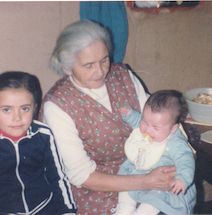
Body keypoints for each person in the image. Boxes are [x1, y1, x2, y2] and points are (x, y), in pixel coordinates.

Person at [39, 20, 176, 214]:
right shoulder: (57, 106)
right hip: (98, 191)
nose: (100, 71)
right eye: (88, 65)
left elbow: (156, 122)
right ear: (67, 67)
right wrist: (145, 182)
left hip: (146, 168)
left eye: (104, 60)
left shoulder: (123, 75)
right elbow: (83, 177)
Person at [0, 71, 77, 214]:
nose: (17, 118)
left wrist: (68, 211)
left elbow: (58, 177)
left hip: (44, 208)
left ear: (35, 107)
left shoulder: (44, 134)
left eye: (25, 109)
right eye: (7, 110)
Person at [115, 90, 196, 215]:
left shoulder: (176, 144)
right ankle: (124, 209)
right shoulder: (149, 125)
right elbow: (138, 121)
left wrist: (182, 179)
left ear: (173, 128)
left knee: (155, 200)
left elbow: (186, 161)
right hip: (138, 171)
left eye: (156, 128)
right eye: (145, 122)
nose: (147, 130)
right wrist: (131, 114)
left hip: (160, 184)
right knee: (125, 181)